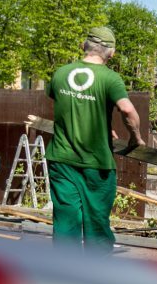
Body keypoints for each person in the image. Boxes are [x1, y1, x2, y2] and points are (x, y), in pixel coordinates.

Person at [44, 26, 144, 252]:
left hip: (61, 160)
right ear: (111, 53)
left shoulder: (60, 73)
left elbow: (69, 104)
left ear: (84, 46)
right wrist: (135, 138)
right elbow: (127, 111)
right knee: (96, 224)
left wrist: (100, 124)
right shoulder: (110, 78)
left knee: (66, 222)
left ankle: (63, 277)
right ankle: (95, 275)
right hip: (96, 164)